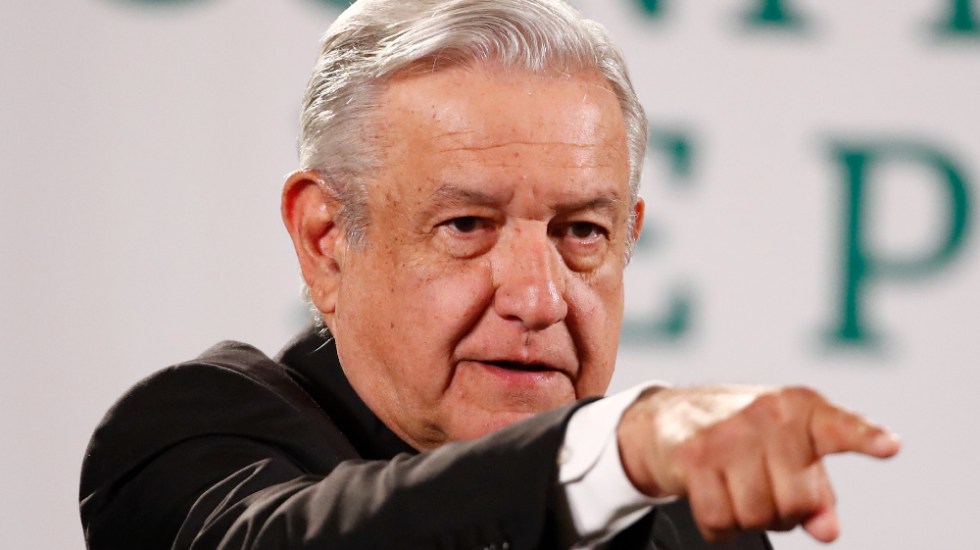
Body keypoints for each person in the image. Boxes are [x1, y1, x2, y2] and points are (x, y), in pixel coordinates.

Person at [79, 1, 900, 548]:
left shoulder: (690, 522)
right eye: (466, 226)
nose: (538, 300)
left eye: (582, 232)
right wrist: (615, 450)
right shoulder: (190, 443)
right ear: (326, 240)